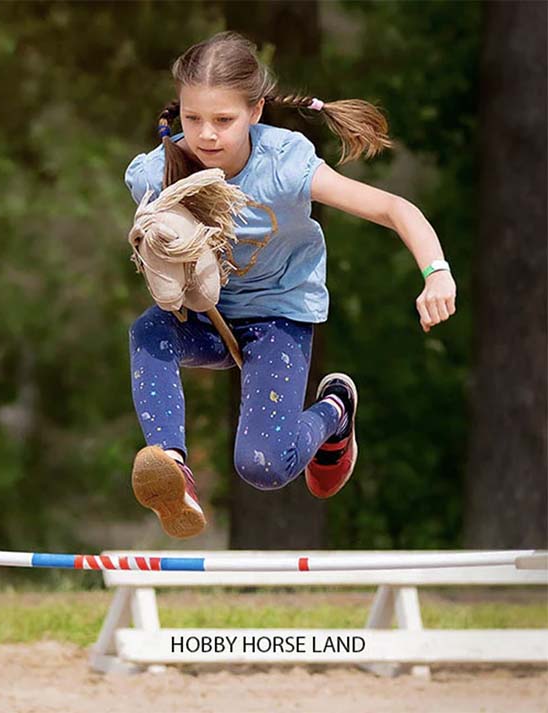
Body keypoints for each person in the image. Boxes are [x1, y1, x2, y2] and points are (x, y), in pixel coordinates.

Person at [125, 31, 457, 539]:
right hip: (206, 315)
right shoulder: (156, 174)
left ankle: (336, 410)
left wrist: (436, 273)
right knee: (148, 332)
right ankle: (174, 465)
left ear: (256, 111)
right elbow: (156, 257)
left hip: (279, 314)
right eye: (193, 119)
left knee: (263, 465)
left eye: (223, 120)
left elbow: (395, 208)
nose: (206, 135)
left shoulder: (284, 166)